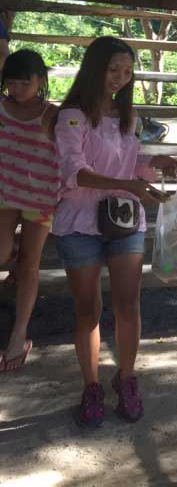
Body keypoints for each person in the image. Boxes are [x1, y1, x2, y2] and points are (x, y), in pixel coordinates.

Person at [52, 36, 177, 427]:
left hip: (124, 218)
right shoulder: (72, 115)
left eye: (127, 72)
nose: (120, 79)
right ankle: (91, 387)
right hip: (79, 222)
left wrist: (153, 162)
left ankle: (126, 378)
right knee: (88, 309)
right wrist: (128, 185)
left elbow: (129, 160)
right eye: (113, 70)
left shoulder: (129, 116)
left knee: (128, 304)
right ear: (95, 68)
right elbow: (75, 171)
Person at [0, 50, 59, 372]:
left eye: (25, 82)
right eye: (12, 82)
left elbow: (65, 155)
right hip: (5, 192)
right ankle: (15, 258)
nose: (18, 89)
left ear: (40, 81)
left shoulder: (52, 115)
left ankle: (19, 334)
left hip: (40, 197)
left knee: (30, 264)